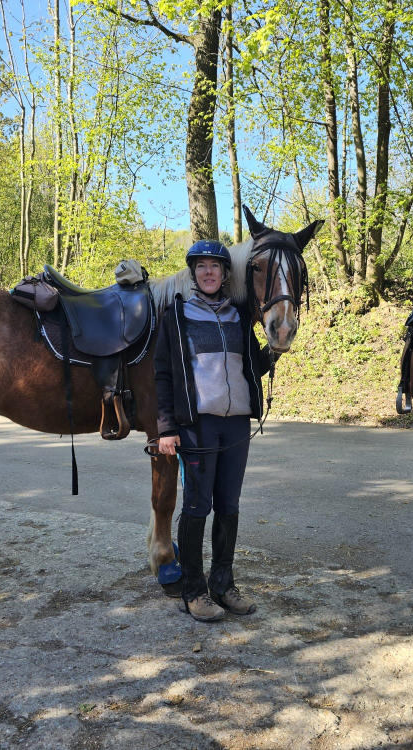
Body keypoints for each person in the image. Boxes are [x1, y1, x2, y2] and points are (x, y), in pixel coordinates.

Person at [155, 239, 274, 622]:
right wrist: (166, 428)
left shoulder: (238, 316)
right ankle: (193, 590)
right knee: (196, 505)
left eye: (215, 266)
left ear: (225, 274)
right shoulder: (177, 315)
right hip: (198, 425)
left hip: (236, 423)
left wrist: (274, 348)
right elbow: (163, 374)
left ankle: (223, 584)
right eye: (202, 265)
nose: (209, 271)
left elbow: (252, 365)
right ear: (194, 273)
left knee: (229, 505)